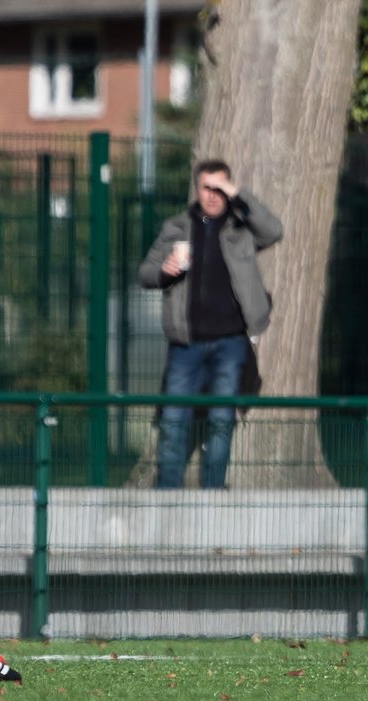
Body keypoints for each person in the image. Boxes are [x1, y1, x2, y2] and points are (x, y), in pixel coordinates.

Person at [138, 160, 283, 489]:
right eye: (207, 187)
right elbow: (145, 274)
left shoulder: (241, 228)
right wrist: (166, 271)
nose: (213, 195)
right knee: (173, 421)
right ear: (197, 188)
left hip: (230, 344)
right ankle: (167, 497)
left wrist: (239, 195)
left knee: (221, 421)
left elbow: (274, 230)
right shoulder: (176, 227)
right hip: (185, 345)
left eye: (220, 188)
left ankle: (213, 494)